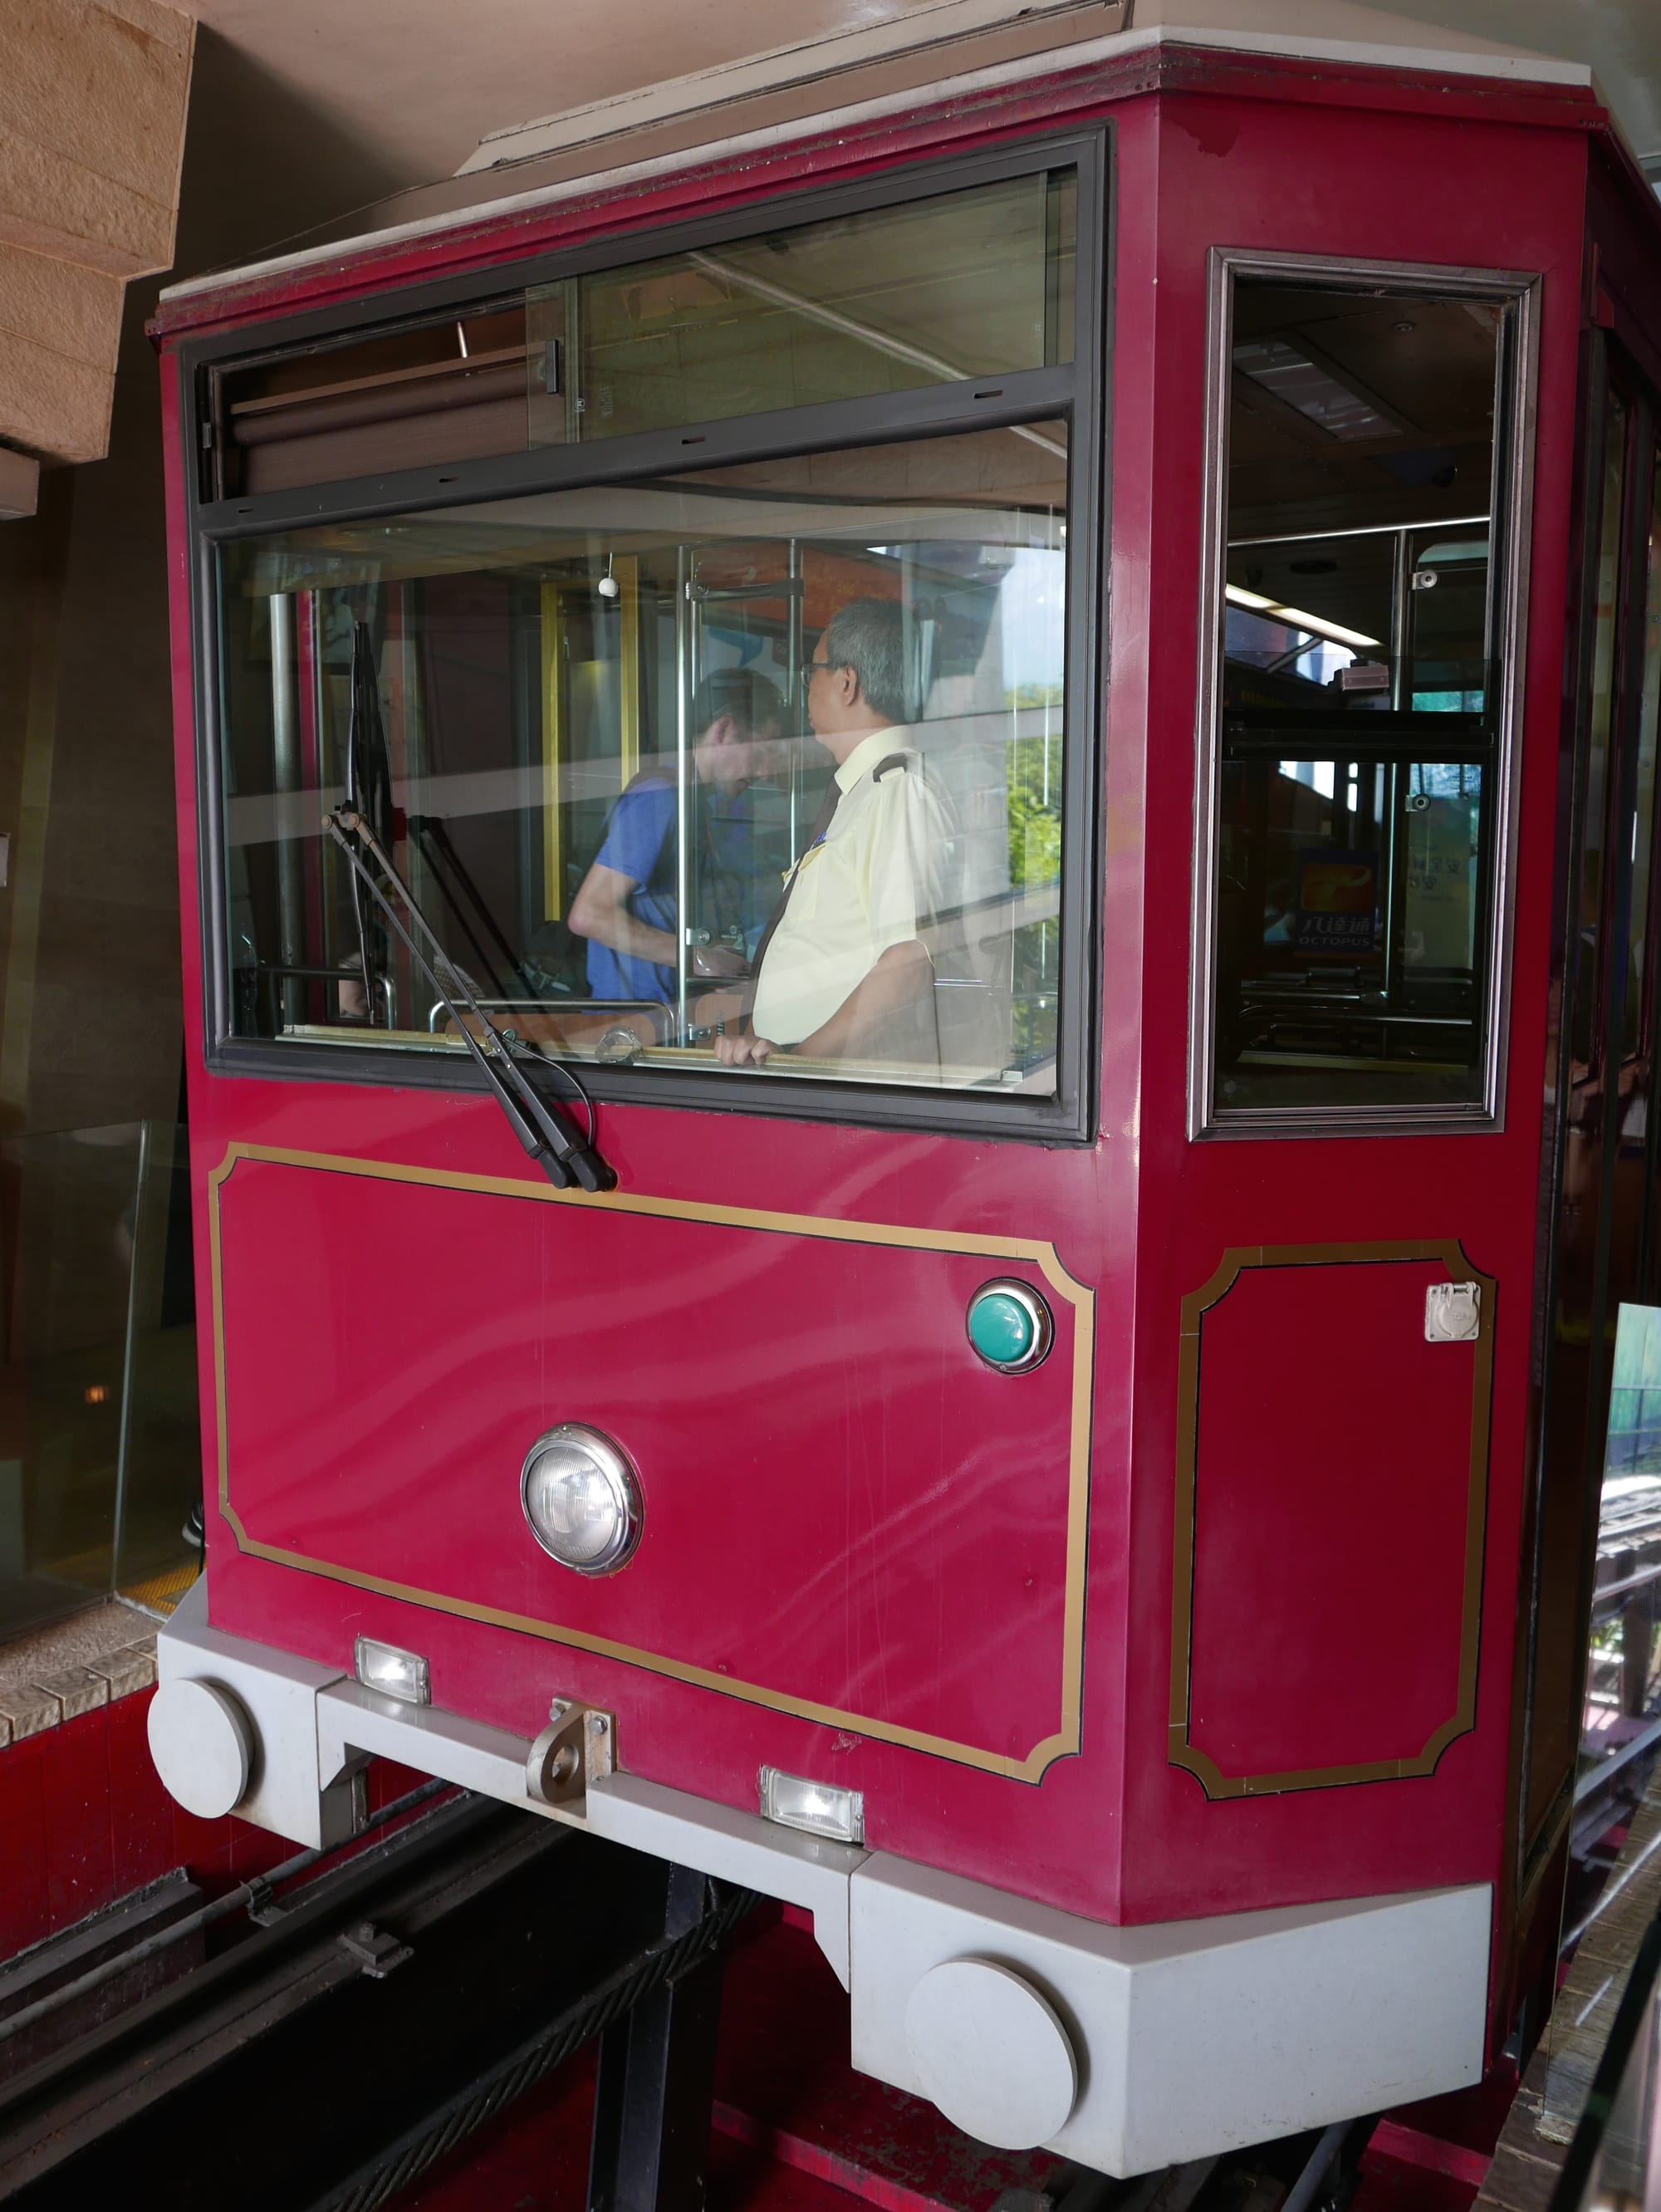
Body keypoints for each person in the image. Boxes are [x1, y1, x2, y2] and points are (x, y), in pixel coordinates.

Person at [715, 596, 953, 1068]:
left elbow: (905, 963)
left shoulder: (896, 790)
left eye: (812, 672)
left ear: (847, 683)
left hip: (834, 1093)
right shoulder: (865, 792)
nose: (806, 689)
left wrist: (801, 1066)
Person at [567, 669, 786, 1003]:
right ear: (724, 730)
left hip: (660, 1015)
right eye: (762, 752)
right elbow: (589, 914)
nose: (767, 772)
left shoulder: (691, 800)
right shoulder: (661, 798)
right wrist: (697, 958)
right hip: (633, 1024)